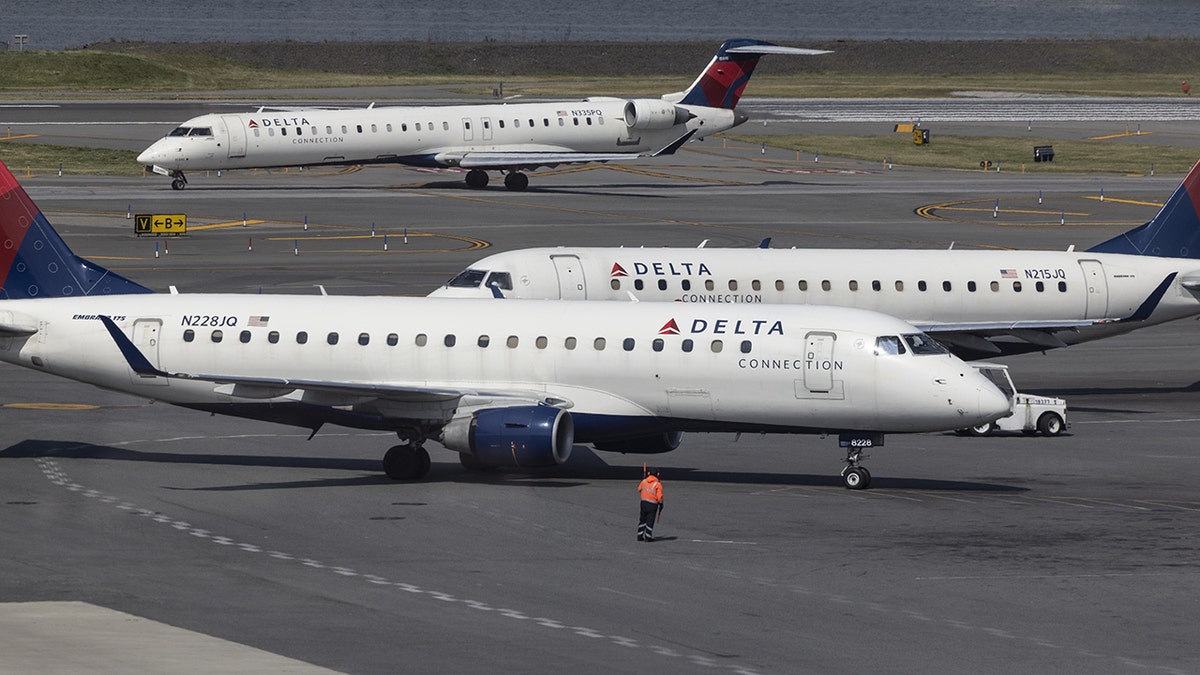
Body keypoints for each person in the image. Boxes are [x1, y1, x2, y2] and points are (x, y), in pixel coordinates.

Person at [637, 467, 664, 542]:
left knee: (642, 519)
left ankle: (639, 535)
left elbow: (639, 489)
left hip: (643, 503)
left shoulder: (644, 481)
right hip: (652, 505)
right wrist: (661, 503)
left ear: (648, 473)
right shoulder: (658, 484)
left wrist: (642, 480)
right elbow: (660, 496)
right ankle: (648, 537)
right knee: (650, 521)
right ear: (657, 474)